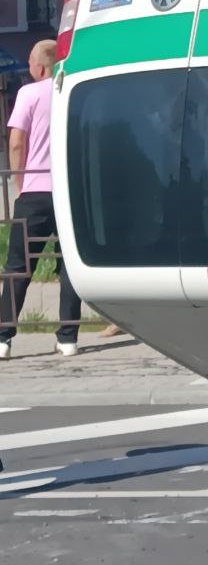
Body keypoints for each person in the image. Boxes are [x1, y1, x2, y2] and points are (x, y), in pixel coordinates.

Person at [0, 41, 83, 360]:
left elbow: (17, 141)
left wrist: (19, 182)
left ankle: (5, 338)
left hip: (34, 191)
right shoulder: (71, 90)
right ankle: (68, 338)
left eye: (31, 61)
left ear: (41, 67)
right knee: (69, 268)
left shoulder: (29, 94)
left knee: (18, 268)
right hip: (68, 191)